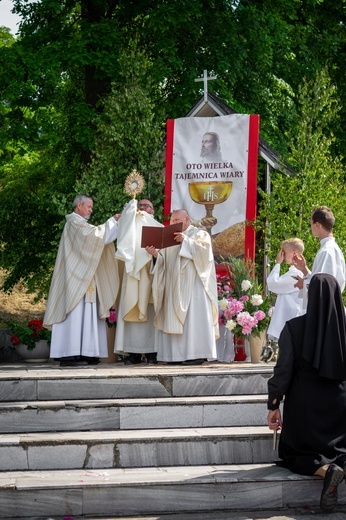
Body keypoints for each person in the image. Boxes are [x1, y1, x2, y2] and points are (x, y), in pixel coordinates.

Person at [267, 273, 346, 513]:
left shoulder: (293, 327)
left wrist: (273, 404)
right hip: (340, 406)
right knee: (340, 450)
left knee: (295, 453)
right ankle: (337, 465)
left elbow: (283, 371)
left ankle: (325, 470)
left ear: (311, 296)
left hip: (304, 407)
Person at [43, 194, 120, 366]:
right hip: (74, 280)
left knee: (88, 314)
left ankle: (88, 352)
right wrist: (113, 222)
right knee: (76, 314)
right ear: (79, 205)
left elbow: (98, 238)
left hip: (86, 278)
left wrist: (115, 224)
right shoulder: (73, 224)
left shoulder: (82, 225)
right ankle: (69, 353)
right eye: (89, 207)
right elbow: (93, 237)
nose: (91, 210)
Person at [146, 209, 219, 365]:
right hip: (173, 286)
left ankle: (196, 354)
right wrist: (156, 256)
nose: (173, 223)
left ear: (187, 219)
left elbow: (205, 254)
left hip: (193, 287)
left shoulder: (199, 234)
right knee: (174, 320)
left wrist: (186, 241)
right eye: (172, 220)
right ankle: (175, 356)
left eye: (177, 220)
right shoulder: (168, 239)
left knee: (193, 321)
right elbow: (164, 262)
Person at [114, 198, 163, 365]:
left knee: (150, 315)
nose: (143, 209)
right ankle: (133, 352)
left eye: (147, 206)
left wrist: (156, 256)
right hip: (131, 279)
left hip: (151, 277)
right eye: (140, 206)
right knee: (130, 311)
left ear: (153, 211)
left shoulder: (159, 228)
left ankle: (151, 352)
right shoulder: (128, 227)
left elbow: (167, 257)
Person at [293, 206, 346, 308]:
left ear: (317, 225)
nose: (310, 227)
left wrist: (303, 284)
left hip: (326, 310)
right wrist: (304, 270)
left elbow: (323, 287)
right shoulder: (329, 248)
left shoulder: (327, 251)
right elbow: (321, 279)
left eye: (311, 224)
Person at [267, 238, 305, 341]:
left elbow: (272, 284)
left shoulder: (295, 273)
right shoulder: (294, 271)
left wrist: (278, 263)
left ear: (294, 253)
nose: (281, 254)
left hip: (291, 318)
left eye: (284, 251)